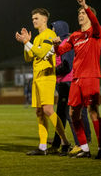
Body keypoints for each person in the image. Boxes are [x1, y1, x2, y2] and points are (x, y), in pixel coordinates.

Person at [53, 0, 101, 159]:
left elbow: (96, 23)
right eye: (79, 14)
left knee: (93, 112)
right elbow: (60, 52)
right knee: (73, 113)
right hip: (76, 79)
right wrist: (56, 45)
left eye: (83, 13)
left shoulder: (95, 33)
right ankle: (84, 148)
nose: (81, 15)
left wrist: (85, 5)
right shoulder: (75, 35)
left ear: (90, 15)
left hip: (90, 77)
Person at [15, 8, 70, 156]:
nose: (34, 21)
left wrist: (27, 41)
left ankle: (65, 141)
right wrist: (26, 43)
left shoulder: (50, 34)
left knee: (47, 110)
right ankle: (43, 146)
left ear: (45, 20)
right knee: (39, 112)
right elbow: (29, 57)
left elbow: (40, 53)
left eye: (36, 18)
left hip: (47, 76)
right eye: (33, 18)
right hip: (37, 77)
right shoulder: (38, 37)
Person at [46, 21, 91, 155]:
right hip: (62, 83)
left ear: (60, 29)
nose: (53, 31)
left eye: (54, 28)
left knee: (69, 114)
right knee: (61, 114)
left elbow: (67, 66)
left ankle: (80, 144)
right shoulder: (59, 43)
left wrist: (52, 71)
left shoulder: (67, 42)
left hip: (68, 82)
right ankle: (59, 144)